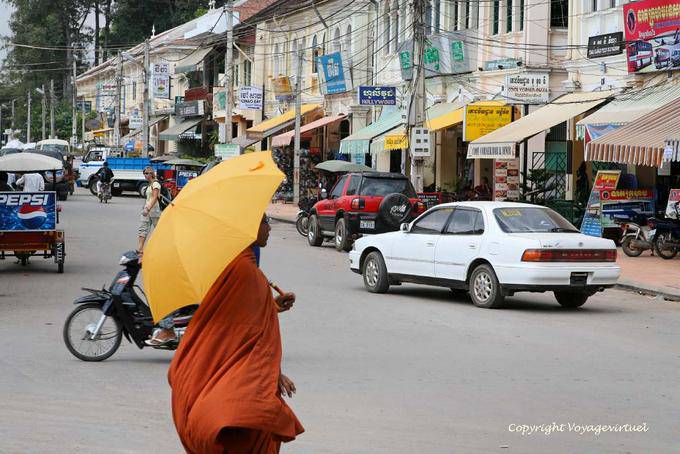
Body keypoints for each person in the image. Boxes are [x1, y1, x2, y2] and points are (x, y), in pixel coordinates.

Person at [168, 214, 303, 453]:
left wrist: (271, 306)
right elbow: (256, 334)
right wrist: (275, 374)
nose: (269, 228)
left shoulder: (232, 265)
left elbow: (240, 316)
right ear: (251, 228)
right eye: (265, 222)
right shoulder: (247, 272)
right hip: (238, 380)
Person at [136, 166, 161, 255]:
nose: (145, 175)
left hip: (154, 211)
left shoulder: (156, 184)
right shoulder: (149, 184)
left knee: (159, 231)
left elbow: (154, 198)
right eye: (144, 173)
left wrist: (148, 208)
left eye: (147, 173)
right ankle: (139, 249)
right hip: (146, 211)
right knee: (142, 229)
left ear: (151, 173)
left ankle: (159, 249)